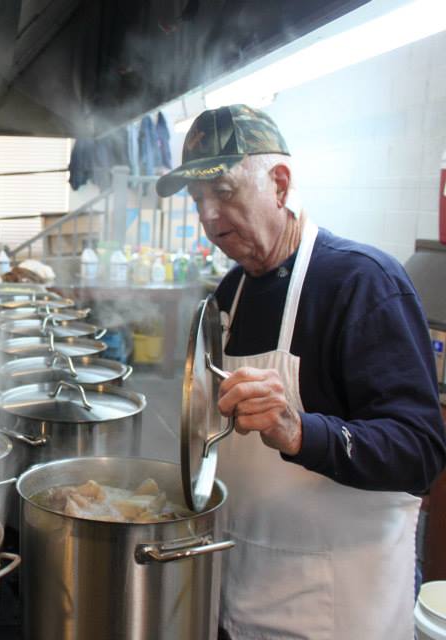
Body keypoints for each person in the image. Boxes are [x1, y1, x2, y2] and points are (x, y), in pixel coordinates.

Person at [156, 104, 446, 640]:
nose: (209, 218)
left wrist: (299, 430)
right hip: (242, 594)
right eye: (198, 200)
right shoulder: (232, 293)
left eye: (223, 189)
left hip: (338, 610)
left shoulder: (363, 284)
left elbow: (420, 452)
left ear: (280, 184)